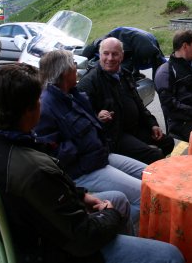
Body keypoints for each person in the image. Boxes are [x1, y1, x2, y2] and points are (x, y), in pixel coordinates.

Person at [0, 63, 185, 263]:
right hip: (57, 251)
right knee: (170, 255)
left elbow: (53, 193)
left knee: (118, 197)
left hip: (34, 232)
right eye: (38, 99)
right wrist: (110, 214)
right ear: (28, 110)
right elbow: (82, 238)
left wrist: (82, 195)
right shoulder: (33, 170)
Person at [34, 50, 147, 225]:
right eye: (73, 64)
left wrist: (97, 123)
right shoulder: (47, 106)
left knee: (152, 175)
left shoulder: (73, 95)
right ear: (64, 72)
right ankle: (112, 228)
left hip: (101, 156)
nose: (76, 68)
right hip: (84, 169)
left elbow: (87, 128)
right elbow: (51, 155)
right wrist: (82, 143)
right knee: (145, 195)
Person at [76, 37, 174, 165]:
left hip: (134, 129)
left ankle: (145, 170)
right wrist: (97, 116)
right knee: (155, 155)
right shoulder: (89, 82)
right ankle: (147, 178)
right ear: (100, 55)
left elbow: (140, 105)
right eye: (106, 53)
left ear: (121, 56)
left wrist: (152, 124)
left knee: (168, 142)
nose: (110, 58)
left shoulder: (125, 75)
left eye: (115, 54)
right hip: (115, 136)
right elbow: (81, 118)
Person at [82, 26, 166, 78]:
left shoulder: (148, 50)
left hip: (128, 37)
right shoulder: (149, 48)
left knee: (122, 65)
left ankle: (132, 75)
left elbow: (158, 70)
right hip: (123, 35)